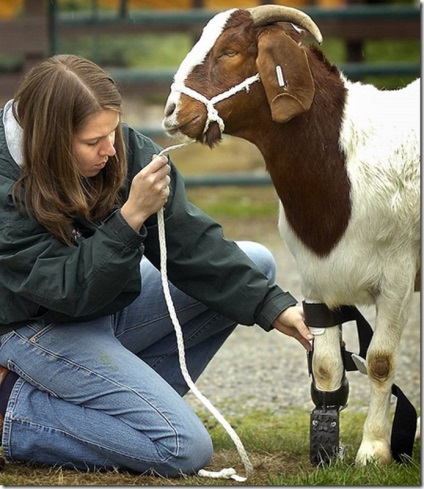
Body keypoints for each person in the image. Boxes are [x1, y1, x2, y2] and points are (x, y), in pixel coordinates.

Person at [0, 54, 313, 476]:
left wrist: (273, 307)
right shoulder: (4, 181)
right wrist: (130, 218)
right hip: (34, 327)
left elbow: (187, 240)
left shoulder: (116, 148)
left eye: (113, 132)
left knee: (257, 264)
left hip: (101, 304)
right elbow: (66, 291)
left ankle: (119, 415)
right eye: (94, 142)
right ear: (50, 139)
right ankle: (15, 415)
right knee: (182, 448)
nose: (111, 150)